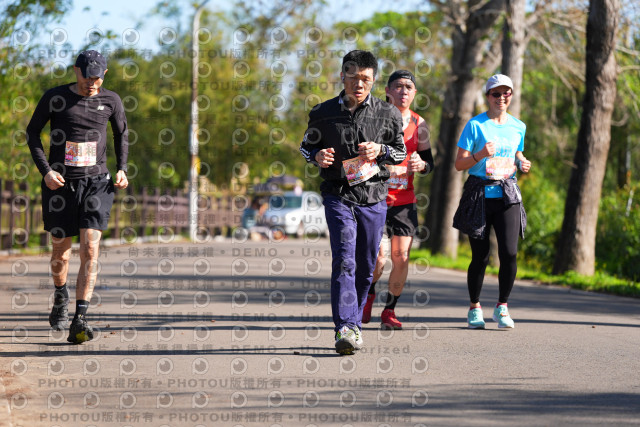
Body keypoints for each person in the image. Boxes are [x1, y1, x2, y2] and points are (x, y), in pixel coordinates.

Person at [300, 50, 406, 354]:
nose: (359, 84)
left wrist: (380, 150)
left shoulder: (388, 113)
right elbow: (306, 147)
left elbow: (400, 151)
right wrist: (317, 156)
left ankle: (354, 323)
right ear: (342, 76)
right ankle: (345, 327)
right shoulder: (322, 113)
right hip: (338, 194)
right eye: (353, 77)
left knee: (366, 265)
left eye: (366, 79)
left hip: (373, 196)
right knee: (345, 258)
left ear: (373, 81)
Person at [26, 50, 129, 344]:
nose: (91, 83)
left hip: (97, 183)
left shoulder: (111, 100)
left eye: (97, 78)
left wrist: (122, 168)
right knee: (61, 251)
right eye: (87, 77)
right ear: (76, 71)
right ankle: (61, 295)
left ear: (104, 74)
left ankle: (80, 318)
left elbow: (121, 134)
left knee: (90, 248)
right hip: (60, 184)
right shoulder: (55, 97)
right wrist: (46, 171)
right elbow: (32, 133)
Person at [452, 74, 531, 329]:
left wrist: (522, 161)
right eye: (496, 93)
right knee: (481, 256)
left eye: (506, 93)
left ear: (511, 95)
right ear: (488, 96)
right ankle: (474, 307)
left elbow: (517, 151)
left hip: (507, 193)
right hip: (480, 194)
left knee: (509, 252)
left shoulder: (518, 126)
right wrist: (480, 154)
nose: (501, 98)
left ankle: (502, 307)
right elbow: (459, 164)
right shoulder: (475, 125)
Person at [362, 70, 433, 329]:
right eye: (398, 86)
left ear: (415, 93)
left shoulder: (419, 124)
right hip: (374, 198)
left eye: (409, 87)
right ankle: (368, 295)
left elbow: (429, 163)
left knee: (401, 257)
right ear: (387, 90)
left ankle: (389, 311)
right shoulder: (372, 118)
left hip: (404, 200)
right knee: (378, 260)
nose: (404, 91)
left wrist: (421, 165)